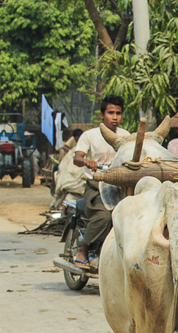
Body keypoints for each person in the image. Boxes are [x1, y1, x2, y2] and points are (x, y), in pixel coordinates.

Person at [73, 95, 130, 267]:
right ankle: (83, 249)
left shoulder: (125, 136)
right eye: (110, 112)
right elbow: (77, 158)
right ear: (102, 114)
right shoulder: (90, 135)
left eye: (118, 113)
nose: (114, 117)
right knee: (104, 216)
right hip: (95, 186)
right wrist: (86, 161)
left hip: (118, 187)